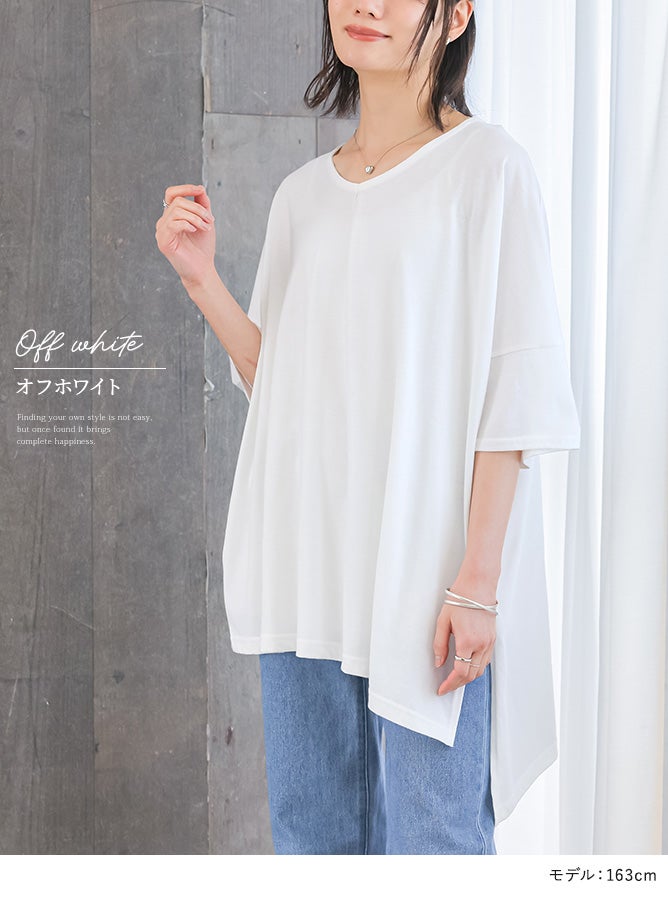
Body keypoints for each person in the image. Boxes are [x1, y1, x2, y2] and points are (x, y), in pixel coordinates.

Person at [156, 0, 581, 855]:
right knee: (312, 839)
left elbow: (516, 391)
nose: (365, 4)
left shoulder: (488, 168)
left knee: (436, 839)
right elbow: (283, 387)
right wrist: (202, 280)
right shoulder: (302, 197)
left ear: (456, 17)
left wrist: (477, 582)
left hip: (428, 573)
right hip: (306, 562)